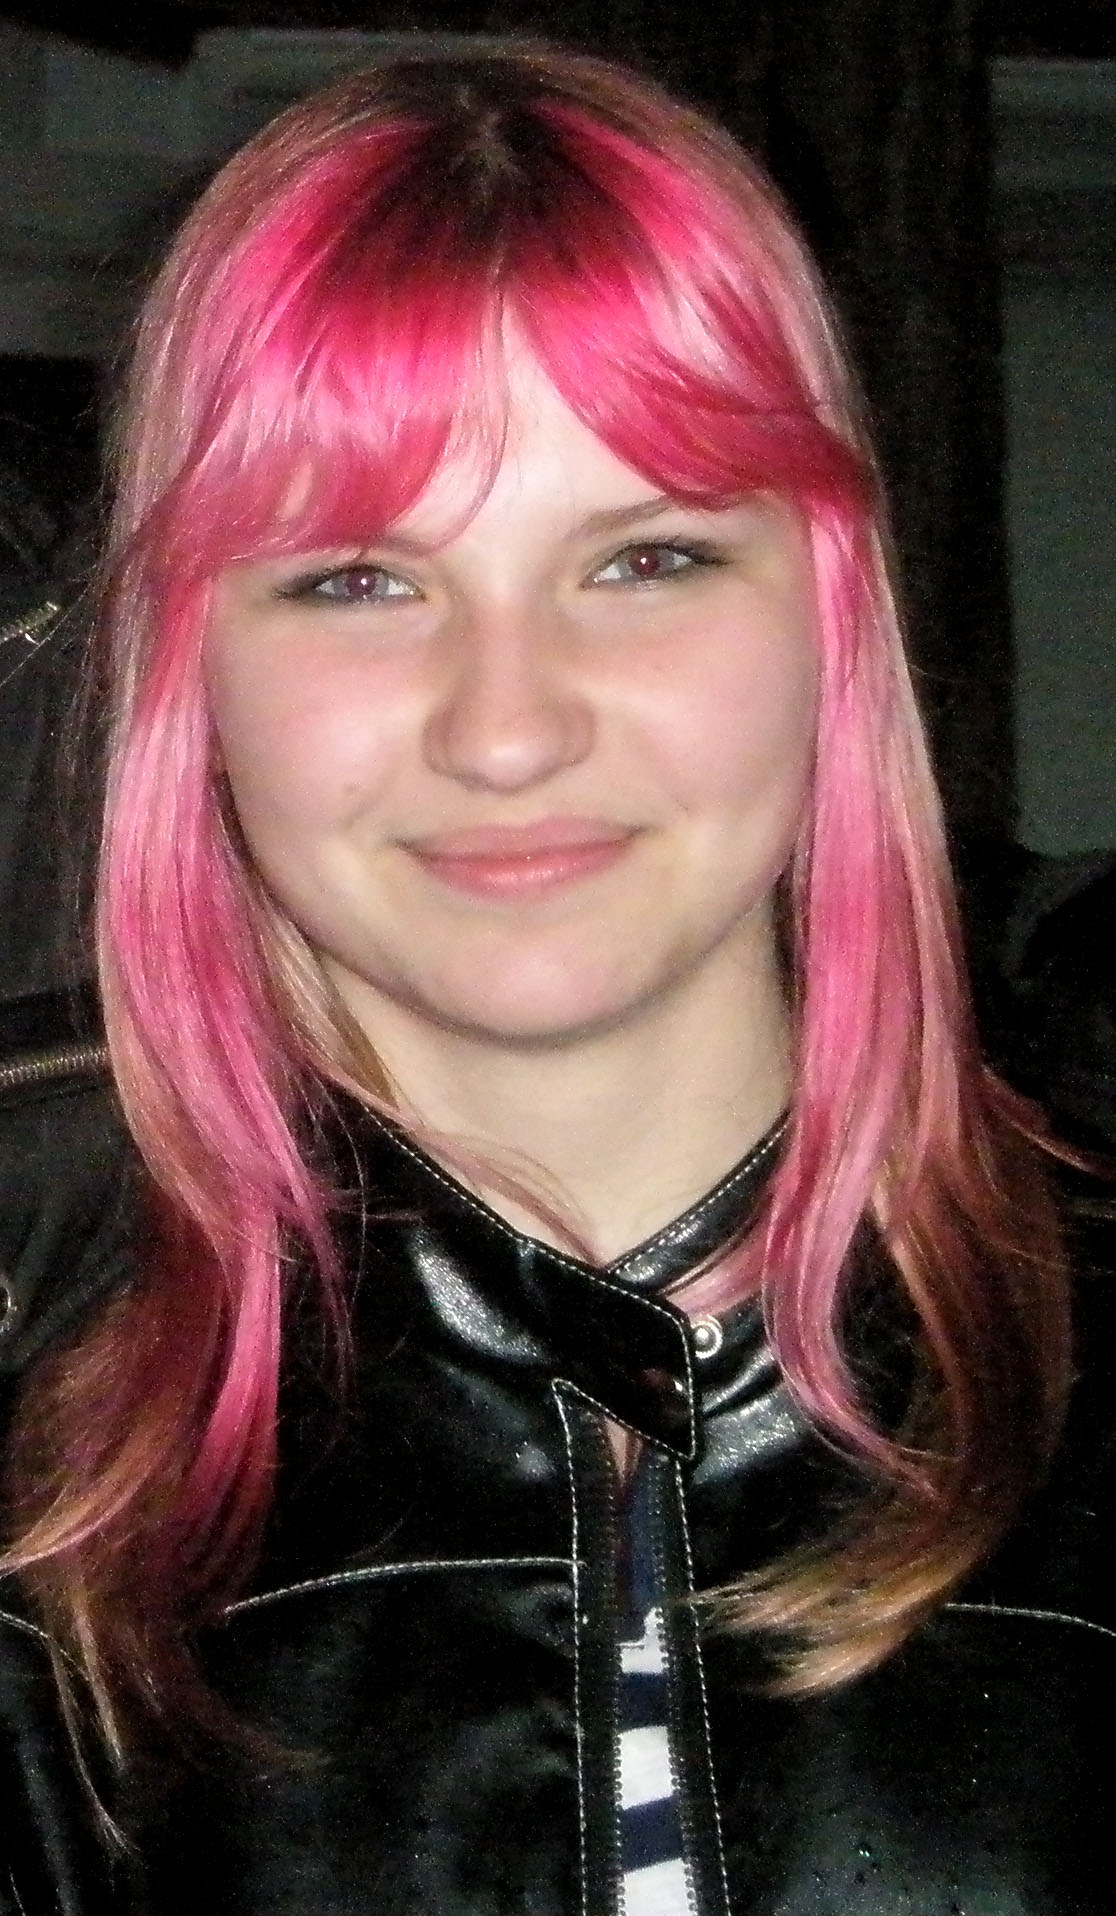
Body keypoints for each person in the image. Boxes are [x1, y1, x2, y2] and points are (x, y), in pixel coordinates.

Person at [0, 36, 1110, 1916]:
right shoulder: (35, 1497)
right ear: (188, 670)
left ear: (833, 615)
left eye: (648, 559)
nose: (506, 729)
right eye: (357, 580)